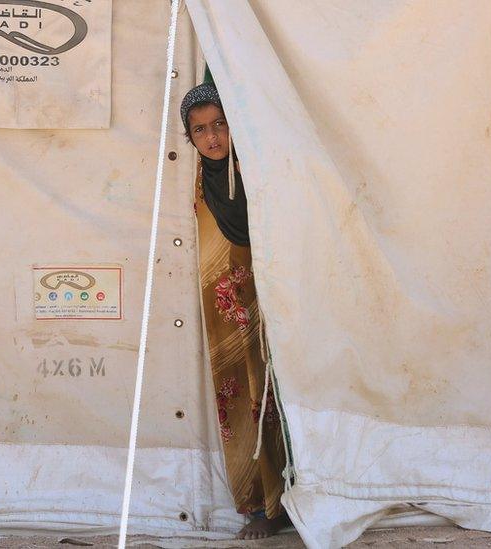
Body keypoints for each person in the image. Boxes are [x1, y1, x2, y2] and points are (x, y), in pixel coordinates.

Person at [180, 83, 291, 540]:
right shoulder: (200, 182)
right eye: (200, 130)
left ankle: (286, 497)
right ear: (189, 138)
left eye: (220, 125)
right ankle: (257, 504)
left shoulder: (254, 171)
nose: (212, 138)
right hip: (222, 316)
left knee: (273, 394)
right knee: (237, 402)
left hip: (267, 305)